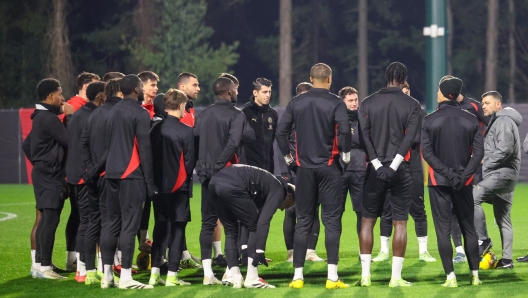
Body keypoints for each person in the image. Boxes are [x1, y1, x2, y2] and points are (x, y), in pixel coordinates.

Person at [277, 63, 351, 289]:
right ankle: (332, 277)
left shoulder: (296, 102)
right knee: (331, 222)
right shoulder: (336, 102)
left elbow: (281, 133)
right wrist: (345, 158)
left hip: (304, 169)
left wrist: (290, 161)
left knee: (303, 222)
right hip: (329, 168)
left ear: (311, 79)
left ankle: (297, 277)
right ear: (329, 79)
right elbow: (345, 131)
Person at [356, 62, 422, 287]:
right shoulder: (412, 104)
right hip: (400, 169)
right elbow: (409, 138)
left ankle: (365, 276)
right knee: (400, 223)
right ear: (404, 78)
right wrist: (393, 165)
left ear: (386, 77)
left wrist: (376, 163)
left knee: (367, 220)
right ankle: (395, 277)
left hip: (374, 170)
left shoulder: (367, 103)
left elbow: (364, 136)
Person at [89, 74, 158, 289]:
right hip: (132, 175)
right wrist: (150, 184)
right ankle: (126, 277)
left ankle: (107, 276)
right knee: (129, 226)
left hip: (111, 174)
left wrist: (94, 172)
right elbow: (144, 150)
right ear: (136, 90)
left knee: (111, 224)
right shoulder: (140, 112)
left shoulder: (113, 112)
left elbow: (109, 148)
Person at [421, 76, 483, 287]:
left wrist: (447, 173)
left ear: (443, 93)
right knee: (469, 229)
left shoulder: (429, 120)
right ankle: (475, 275)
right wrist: (463, 176)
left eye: (438, 90)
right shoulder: (471, 119)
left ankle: (451, 277)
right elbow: (478, 154)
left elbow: (427, 154)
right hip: (463, 183)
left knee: (443, 231)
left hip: (439, 182)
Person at [371, 83, 435, 263]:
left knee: (418, 208)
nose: (405, 95)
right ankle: (384, 251)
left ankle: (423, 251)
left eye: (407, 92)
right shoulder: (389, 112)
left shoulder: (419, 112)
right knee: (386, 208)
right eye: (402, 92)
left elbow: (418, 138)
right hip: (388, 166)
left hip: (412, 166)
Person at [209, 165, 295, 289]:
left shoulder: (265, 185)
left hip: (214, 183)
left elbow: (246, 221)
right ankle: (252, 278)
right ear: (289, 195)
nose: (282, 209)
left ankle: (235, 277)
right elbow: (263, 222)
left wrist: (244, 247)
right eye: (287, 206)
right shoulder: (279, 189)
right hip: (231, 183)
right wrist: (260, 251)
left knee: (231, 230)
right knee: (255, 225)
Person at [194, 77, 245, 285]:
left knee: (207, 223)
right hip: (227, 175)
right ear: (230, 91)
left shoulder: (203, 114)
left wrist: (203, 166)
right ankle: (228, 271)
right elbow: (233, 144)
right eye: (235, 90)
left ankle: (207, 274)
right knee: (232, 224)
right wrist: (218, 165)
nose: (237, 93)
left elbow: (195, 140)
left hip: (206, 176)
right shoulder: (236, 114)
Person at [23, 78, 74, 279]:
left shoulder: (40, 117)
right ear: (51, 96)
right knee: (49, 220)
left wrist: (40, 162)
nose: (63, 98)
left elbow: (26, 145)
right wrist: (69, 117)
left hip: (45, 172)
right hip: (49, 175)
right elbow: (69, 140)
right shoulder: (49, 119)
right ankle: (44, 267)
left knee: (47, 219)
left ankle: (42, 265)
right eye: (60, 94)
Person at [148, 89, 194, 287]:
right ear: (180, 105)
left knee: (159, 228)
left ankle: (154, 274)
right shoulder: (186, 131)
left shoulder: (154, 129)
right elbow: (190, 162)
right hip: (179, 187)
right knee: (177, 230)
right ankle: (172, 276)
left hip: (159, 187)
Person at [81, 78, 123, 285]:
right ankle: (107, 270)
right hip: (108, 176)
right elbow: (112, 149)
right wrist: (97, 170)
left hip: (93, 176)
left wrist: (89, 170)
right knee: (110, 222)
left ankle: (89, 272)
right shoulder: (116, 114)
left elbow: (84, 143)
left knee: (93, 222)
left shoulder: (94, 113)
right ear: (119, 92)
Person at [473, 91, 521, 269]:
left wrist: (484, 161)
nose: (483, 105)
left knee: (472, 197)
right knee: (503, 219)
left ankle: (483, 240)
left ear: (498, 104)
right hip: (506, 175)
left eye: (486, 102)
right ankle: (507, 261)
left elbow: (505, 149)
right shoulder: (501, 121)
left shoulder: (502, 121)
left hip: (501, 173)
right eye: (482, 102)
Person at [66, 81, 106, 282]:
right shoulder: (91, 116)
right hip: (85, 176)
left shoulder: (78, 114)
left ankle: (85, 267)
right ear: (100, 98)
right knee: (87, 222)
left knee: (85, 220)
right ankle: (82, 270)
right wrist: (91, 172)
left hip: (76, 174)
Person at [280, 82, 323, 263]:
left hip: (311, 168)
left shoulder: (317, 117)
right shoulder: (290, 117)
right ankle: (291, 252)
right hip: (293, 170)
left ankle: (310, 251)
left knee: (313, 210)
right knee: (291, 211)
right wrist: (288, 165)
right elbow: (281, 141)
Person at [448, 77, 490, 263]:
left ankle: (481, 241)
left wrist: (482, 152)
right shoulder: (447, 108)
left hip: (472, 165)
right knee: (451, 208)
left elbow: (491, 126)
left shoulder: (473, 106)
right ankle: (459, 250)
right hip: (451, 165)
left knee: (471, 204)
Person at [175, 72, 203, 269]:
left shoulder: (190, 108)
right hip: (174, 171)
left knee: (182, 214)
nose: (198, 88)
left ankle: (183, 253)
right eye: (194, 84)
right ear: (182, 88)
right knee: (172, 215)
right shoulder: (170, 109)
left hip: (186, 169)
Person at [338, 87, 366, 238]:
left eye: (355, 100)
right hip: (340, 170)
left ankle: (364, 253)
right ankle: (333, 254)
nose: (354, 103)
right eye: (350, 100)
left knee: (361, 212)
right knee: (336, 212)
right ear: (343, 102)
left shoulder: (363, 119)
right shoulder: (335, 119)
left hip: (360, 170)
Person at [241, 78, 277, 172]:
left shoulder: (273, 114)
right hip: (249, 167)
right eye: (264, 92)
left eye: (269, 92)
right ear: (255, 93)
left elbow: (271, 140)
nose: (268, 95)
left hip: (268, 166)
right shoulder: (245, 113)